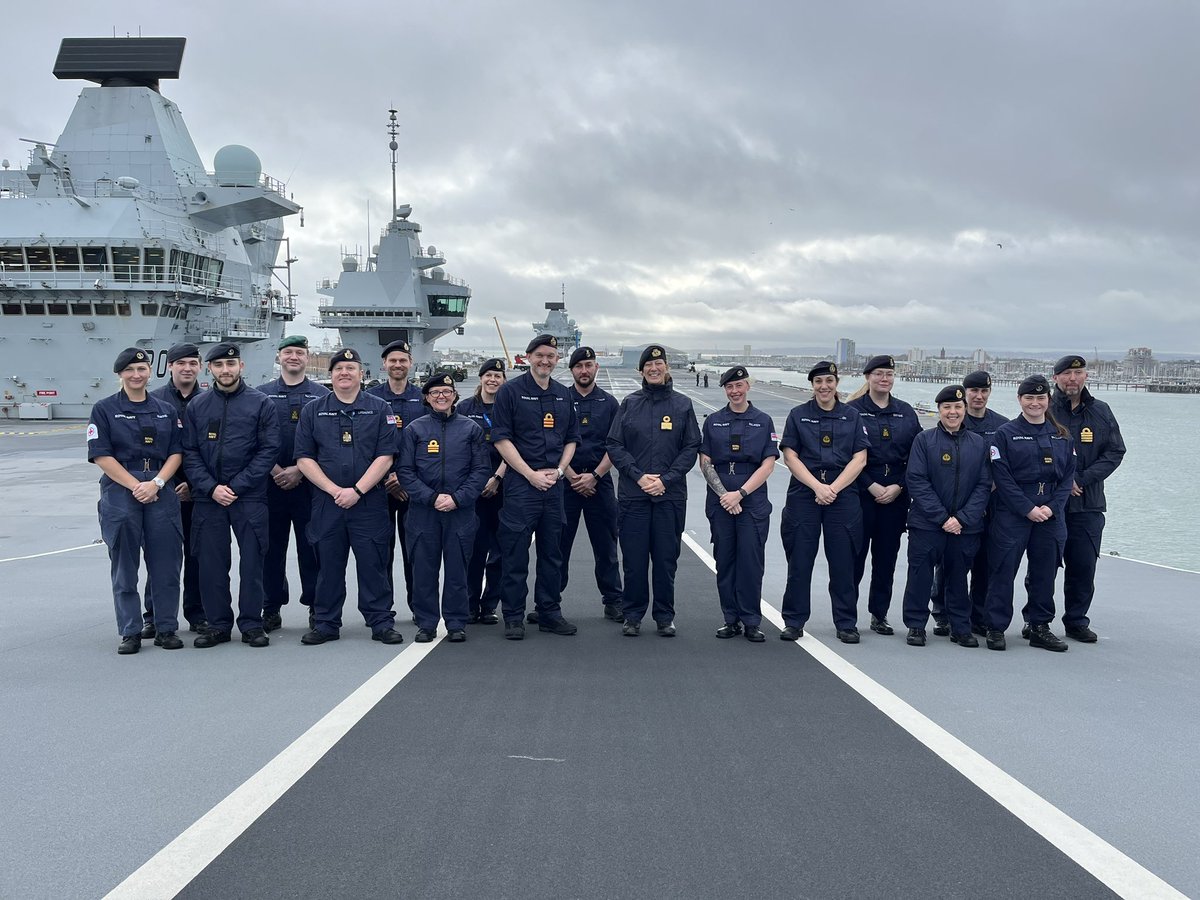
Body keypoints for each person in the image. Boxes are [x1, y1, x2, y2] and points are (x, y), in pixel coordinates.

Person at [294, 348, 404, 645]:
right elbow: (304, 458)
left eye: (351, 368)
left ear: (361, 373)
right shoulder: (313, 410)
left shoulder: (380, 408)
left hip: (368, 502)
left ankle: (381, 622)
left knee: (374, 564)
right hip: (327, 503)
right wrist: (334, 490)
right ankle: (327, 622)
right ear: (331, 375)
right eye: (339, 368)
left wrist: (357, 491)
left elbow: (386, 455)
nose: (345, 372)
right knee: (328, 566)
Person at [183, 343, 281, 648]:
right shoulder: (197, 407)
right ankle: (218, 624)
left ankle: (252, 624)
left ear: (241, 367)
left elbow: (269, 450)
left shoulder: (261, 403)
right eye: (219, 365)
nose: (226, 370)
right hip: (208, 498)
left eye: (231, 364)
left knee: (253, 562)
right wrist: (211, 488)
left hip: (249, 497)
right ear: (209, 369)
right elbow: (189, 452)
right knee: (211, 563)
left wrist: (236, 486)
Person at [88, 348, 185, 654]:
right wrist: (135, 485)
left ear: (149, 372)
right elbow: (101, 455)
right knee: (124, 566)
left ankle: (166, 627)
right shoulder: (103, 410)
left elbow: (176, 452)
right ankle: (130, 631)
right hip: (121, 490)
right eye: (130, 370)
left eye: (141, 369)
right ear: (120, 374)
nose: (136, 375)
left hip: (160, 489)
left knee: (167, 565)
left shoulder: (166, 410)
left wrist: (156, 483)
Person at [607, 344, 700, 636]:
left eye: (658, 365)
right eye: (648, 365)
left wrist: (666, 480)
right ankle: (632, 615)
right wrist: (639, 476)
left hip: (669, 497)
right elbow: (614, 445)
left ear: (666, 368)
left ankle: (664, 616)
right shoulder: (629, 404)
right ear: (642, 370)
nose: (654, 369)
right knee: (634, 561)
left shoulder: (683, 405)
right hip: (634, 496)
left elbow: (691, 447)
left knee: (665, 560)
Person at [490, 334, 580, 639]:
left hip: (553, 487)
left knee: (552, 554)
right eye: (540, 355)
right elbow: (502, 439)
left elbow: (571, 439)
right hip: (521, 486)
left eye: (551, 356)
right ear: (528, 357)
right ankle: (513, 616)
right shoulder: (510, 392)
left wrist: (558, 471)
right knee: (514, 554)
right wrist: (530, 474)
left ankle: (548, 612)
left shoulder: (563, 394)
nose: (545, 361)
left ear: (557, 360)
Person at [982, 375, 1076, 652]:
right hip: (1013, 513)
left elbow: (1067, 478)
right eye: (1029, 398)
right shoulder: (1005, 434)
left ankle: (1038, 626)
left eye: (1040, 398)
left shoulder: (1061, 435)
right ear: (1020, 400)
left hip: (1050, 513)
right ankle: (995, 627)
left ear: (1047, 400)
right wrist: (1027, 508)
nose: (1035, 403)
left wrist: (1050, 507)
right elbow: (1002, 476)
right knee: (1002, 571)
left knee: (1044, 573)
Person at [778, 361, 869, 642]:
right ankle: (793, 621)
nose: (824, 386)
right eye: (818, 382)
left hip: (842, 495)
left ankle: (845, 623)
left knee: (843, 562)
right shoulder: (798, 415)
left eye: (829, 381)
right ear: (812, 385)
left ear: (837, 383)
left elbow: (860, 458)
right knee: (800, 560)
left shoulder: (852, 416)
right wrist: (818, 486)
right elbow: (790, 456)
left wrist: (833, 488)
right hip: (805, 492)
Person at [396, 372, 491, 642]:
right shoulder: (415, 429)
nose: (441, 396)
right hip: (423, 512)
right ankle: (426, 623)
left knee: (458, 570)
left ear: (454, 397)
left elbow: (480, 469)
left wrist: (457, 498)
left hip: (460, 512)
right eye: (435, 392)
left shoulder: (471, 429)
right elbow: (405, 471)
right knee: (423, 571)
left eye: (446, 393)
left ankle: (456, 622)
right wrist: (431, 497)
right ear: (427, 398)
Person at [899, 385, 992, 647]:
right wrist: (942, 518)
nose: (953, 412)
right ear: (938, 410)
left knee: (958, 577)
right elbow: (916, 480)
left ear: (965, 410)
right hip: (927, 524)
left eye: (958, 407)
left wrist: (962, 518)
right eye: (947, 407)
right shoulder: (924, 440)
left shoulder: (978, 443)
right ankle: (916, 625)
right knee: (920, 576)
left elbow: (984, 484)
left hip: (965, 527)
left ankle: (960, 626)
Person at [698, 366, 778, 642]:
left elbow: (768, 464)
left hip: (751, 499)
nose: (734, 391)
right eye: (730, 387)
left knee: (751, 563)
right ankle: (730, 619)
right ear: (725, 390)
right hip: (720, 498)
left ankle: (751, 620)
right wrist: (725, 495)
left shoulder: (763, 421)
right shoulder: (714, 421)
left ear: (748, 387)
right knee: (726, 560)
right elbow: (705, 461)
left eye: (739, 385)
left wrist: (740, 494)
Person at [1049, 354, 1125, 642]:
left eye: (1078, 373)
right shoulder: (1045, 409)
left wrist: (1082, 479)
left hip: (1088, 504)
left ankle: (1076, 620)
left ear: (1086, 377)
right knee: (1043, 567)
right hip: (1050, 505)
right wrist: (1065, 481)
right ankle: (1037, 620)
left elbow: (1115, 452)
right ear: (1055, 377)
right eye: (1066, 373)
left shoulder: (1101, 411)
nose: (1072, 379)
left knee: (1083, 568)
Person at [258, 334, 330, 632]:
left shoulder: (322, 395)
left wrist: (300, 470)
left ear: (307, 357)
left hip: (309, 486)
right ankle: (271, 607)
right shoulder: (260, 395)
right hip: (270, 484)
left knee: (311, 548)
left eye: (299, 352)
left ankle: (315, 605)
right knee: (269, 549)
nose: (293, 357)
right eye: (288, 352)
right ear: (279, 357)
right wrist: (276, 470)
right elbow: (255, 439)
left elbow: (326, 442)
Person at [929, 369, 1008, 636]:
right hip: (956, 506)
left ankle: (978, 615)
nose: (979, 396)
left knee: (985, 561)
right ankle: (943, 613)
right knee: (949, 562)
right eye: (974, 391)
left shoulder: (1002, 425)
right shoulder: (955, 422)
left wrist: (986, 492)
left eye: (984, 391)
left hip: (991, 506)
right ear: (965, 394)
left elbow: (1005, 467)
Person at [847, 354, 921, 636]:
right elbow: (847, 455)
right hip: (861, 492)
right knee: (854, 558)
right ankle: (847, 616)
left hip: (896, 494)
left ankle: (879, 614)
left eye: (889, 374)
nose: (884, 379)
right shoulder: (852, 411)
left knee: (886, 559)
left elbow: (917, 455)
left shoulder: (906, 412)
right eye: (878, 374)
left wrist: (899, 486)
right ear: (867, 377)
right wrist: (870, 485)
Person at [142, 342, 205, 637]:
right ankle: (154, 615)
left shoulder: (209, 402)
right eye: (181, 363)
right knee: (160, 557)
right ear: (170, 366)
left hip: (199, 493)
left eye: (193, 363)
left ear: (200, 367)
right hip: (162, 491)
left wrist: (193, 484)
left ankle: (197, 614)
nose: (187, 368)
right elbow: (150, 449)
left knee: (197, 557)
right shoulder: (153, 402)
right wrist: (163, 484)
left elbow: (210, 450)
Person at [560, 346, 624, 622]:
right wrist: (572, 474)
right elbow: (556, 442)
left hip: (600, 482)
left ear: (596, 367)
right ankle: (549, 602)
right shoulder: (560, 399)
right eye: (578, 366)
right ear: (572, 370)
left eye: (588, 365)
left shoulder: (610, 403)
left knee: (606, 546)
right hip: (566, 482)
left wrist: (595, 475)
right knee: (558, 546)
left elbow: (616, 444)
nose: (584, 371)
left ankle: (613, 600)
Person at [366, 339, 427, 616]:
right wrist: (387, 476)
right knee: (381, 551)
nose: (398, 365)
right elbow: (366, 443)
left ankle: (419, 608)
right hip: (378, 487)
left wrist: (403, 477)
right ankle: (382, 610)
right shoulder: (371, 399)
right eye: (393, 360)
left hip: (412, 488)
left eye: (403, 360)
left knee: (416, 552)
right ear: (384, 364)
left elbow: (429, 443)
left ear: (410, 363)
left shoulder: (423, 397)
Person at [456, 358, 508, 624]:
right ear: (481, 378)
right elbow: (457, 448)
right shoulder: (464, 408)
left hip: (502, 487)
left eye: (498, 376)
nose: (493, 380)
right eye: (488, 375)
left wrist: (497, 477)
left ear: (503, 381)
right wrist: (477, 483)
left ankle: (490, 605)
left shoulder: (509, 408)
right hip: (473, 491)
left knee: (499, 550)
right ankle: (469, 604)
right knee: (473, 549)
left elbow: (515, 448)